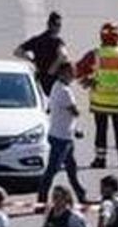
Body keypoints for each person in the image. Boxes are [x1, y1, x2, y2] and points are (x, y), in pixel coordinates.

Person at [76, 22, 118, 169]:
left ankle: (100, 159)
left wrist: (88, 80)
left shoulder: (95, 54)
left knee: (101, 130)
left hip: (99, 101)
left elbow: (78, 69)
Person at [37, 62, 88, 204]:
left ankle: (81, 194)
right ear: (63, 73)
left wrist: (75, 130)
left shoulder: (57, 86)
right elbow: (74, 111)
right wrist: (79, 113)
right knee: (52, 170)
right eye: (71, 72)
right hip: (61, 138)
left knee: (72, 169)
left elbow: (61, 113)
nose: (74, 75)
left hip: (65, 135)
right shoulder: (64, 90)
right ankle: (41, 201)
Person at [14, 11, 67, 95]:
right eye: (58, 25)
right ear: (51, 25)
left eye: (60, 25)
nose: (59, 28)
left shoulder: (37, 40)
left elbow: (18, 52)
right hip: (53, 81)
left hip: (40, 79)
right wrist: (52, 70)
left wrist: (31, 60)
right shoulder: (57, 42)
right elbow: (63, 55)